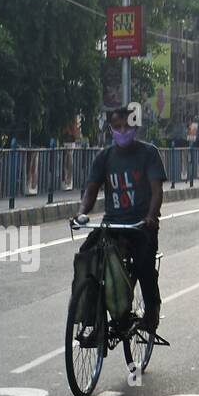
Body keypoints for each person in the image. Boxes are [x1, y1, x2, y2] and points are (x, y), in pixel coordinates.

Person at [74, 105, 166, 331]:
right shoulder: (104, 157)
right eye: (117, 127)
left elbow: (157, 191)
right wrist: (81, 213)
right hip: (112, 224)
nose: (123, 131)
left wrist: (151, 216)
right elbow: (91, 190)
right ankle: (90, 312)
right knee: (87, 256)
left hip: (140, 225)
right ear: (110, 130)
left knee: (144, 264)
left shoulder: (149, 153)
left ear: (135, 127)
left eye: (127, 126)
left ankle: (152, 310)